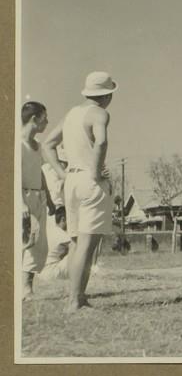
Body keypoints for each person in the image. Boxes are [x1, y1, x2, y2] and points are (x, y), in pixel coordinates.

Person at [43, 71, 117, 312]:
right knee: (87, 243)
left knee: (76, 243)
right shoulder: (100, 113)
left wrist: (63, 174)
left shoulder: (72, 114)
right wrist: (96, 172)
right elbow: (102, 142)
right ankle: (76, 301)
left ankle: (77, 298)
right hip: (89, 181)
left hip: (72, 181)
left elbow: (48, 144)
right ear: (107, 95)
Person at [21, 101, 52, 300]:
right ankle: (21, 288)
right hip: (22, 197)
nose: (47, 122)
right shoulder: (17, 144)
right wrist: (21, 203)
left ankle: (27, 287)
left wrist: (48, 197)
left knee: (38, 243)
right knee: (24, 241)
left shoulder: (38, 146)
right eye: (44, 118)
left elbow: (39, 172)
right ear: (34, 119)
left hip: (38, 197)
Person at [39, 206, 71, 281]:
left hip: (41, 273)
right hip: (53, 273)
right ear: (63, 219)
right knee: (79, 252)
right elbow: (78, 250)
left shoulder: (49, 230)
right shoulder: (63, 235)